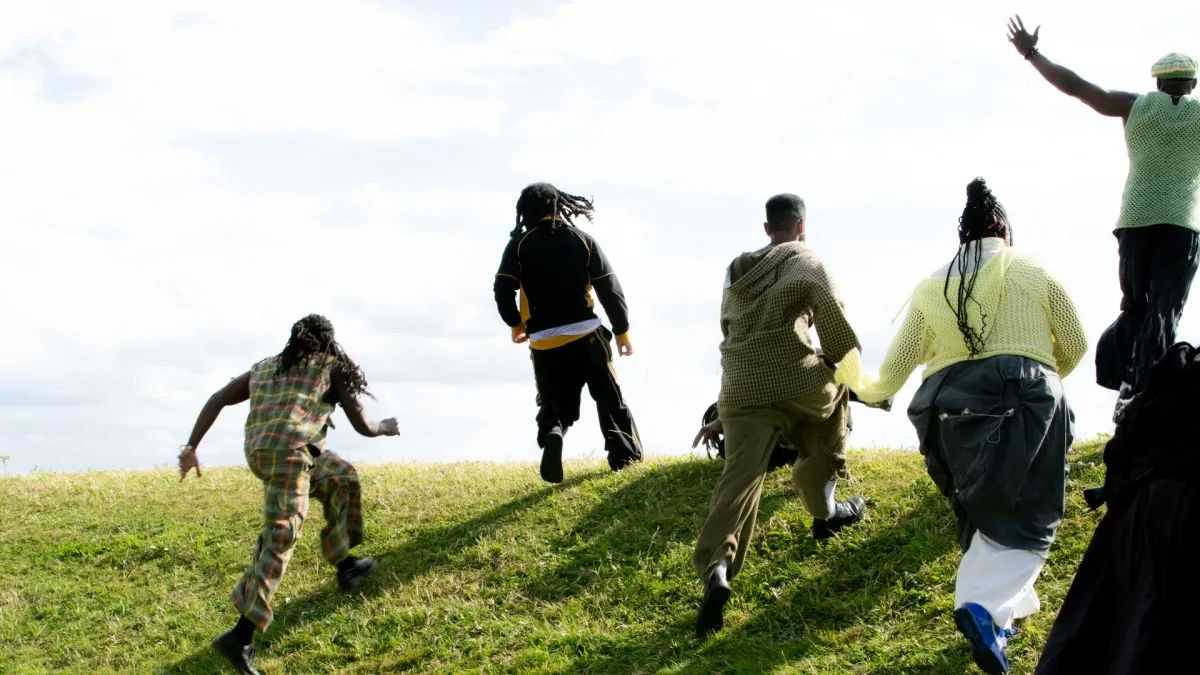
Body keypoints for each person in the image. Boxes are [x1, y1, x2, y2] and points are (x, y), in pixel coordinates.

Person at [836, 178, 1087, 674]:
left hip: (947, 410)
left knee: (983, 506)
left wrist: (859, 384)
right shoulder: (1033, 269)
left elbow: (893, 373)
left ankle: (1005, 617)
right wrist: (1043, 375)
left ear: (961, 237)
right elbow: (1076, 342)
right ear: (1005, 233)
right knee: (1032, 511)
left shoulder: (932, 285)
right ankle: (982, 608)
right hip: (1023, 397)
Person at [178, 314, 400, 675]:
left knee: (341, 477)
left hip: (263, 453)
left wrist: (191, 446)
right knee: (282, 535)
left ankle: (345, 565)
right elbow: (363, 424)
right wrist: (386, 428)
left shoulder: (265, 368)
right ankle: (240, 638)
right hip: (290, 456)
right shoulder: (331, 367)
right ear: (329, 343)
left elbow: (218, 398)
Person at [690, 193, 867, 639]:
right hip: (797, 380)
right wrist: (852, 373)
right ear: (801, 226)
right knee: (835, 405)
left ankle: (717, 568)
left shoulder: (735, 270)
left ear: (767, 228)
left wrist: (725, 410)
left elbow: (731, 330)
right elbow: (836, 330)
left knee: (739, 479)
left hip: (741, 387)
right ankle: (826, 511)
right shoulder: (809, 261)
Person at [1007, 15, 1200, 417]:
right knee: (1165, 310)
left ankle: (1124, 377)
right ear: (1193, 84)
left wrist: (1032, 53)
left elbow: (1078, 87)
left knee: (1136, 307)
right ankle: (1142, 393)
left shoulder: (1133, 105)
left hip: (1135, 221)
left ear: (1157, 82)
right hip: (1181, 224)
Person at [1035, 342, 1200, 675]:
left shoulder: (1173, 371)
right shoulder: (1175, 373)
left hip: (1138, 511)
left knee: (1117, 626)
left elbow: (1122, 449)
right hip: (1167, 509)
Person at [493, 182, 643, 484]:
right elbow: (609, 288)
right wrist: (622, 331)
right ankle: (624, 457)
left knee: (555, 404)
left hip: (544, 343)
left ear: (525, 212)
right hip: (587, 336)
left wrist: (516, 324)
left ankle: (553, 431)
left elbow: (502, 288)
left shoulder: (519, 245)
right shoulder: (582, 239)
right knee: (608, 397)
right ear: (557, 205)